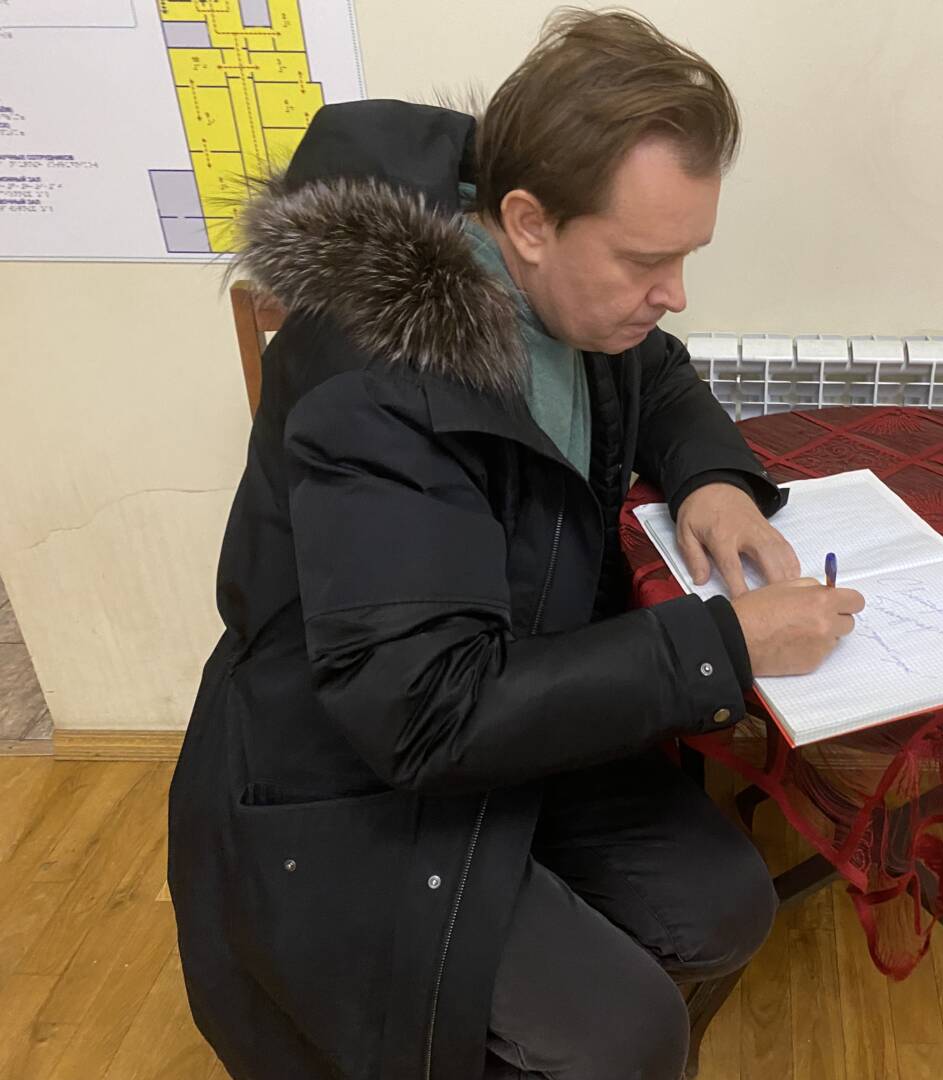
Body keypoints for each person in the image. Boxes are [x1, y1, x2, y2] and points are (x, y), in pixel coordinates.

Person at [167, 8, 864, 1079]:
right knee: (631, 1036)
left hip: (500, 687)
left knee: (725, 905)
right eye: (646, 259)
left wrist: (714, 480)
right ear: (529, 223)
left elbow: (656, 374)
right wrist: (723, 645)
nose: (674, 293)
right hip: (352, 770)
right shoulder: (377, 389)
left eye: (685, 255)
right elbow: (423, 713)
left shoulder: (568, 295)